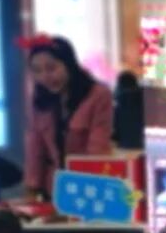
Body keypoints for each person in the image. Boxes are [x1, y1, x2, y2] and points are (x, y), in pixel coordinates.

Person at [20, 35, 114, 199]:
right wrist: (32, 187)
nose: (44, 77)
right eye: (37, 71)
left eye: (51, 68)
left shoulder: (98, 95)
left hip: (87, 187)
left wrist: (89, 188)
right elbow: (35, 147)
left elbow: (98, 148)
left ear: (69, 64)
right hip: (53, 187)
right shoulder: (40, 98)